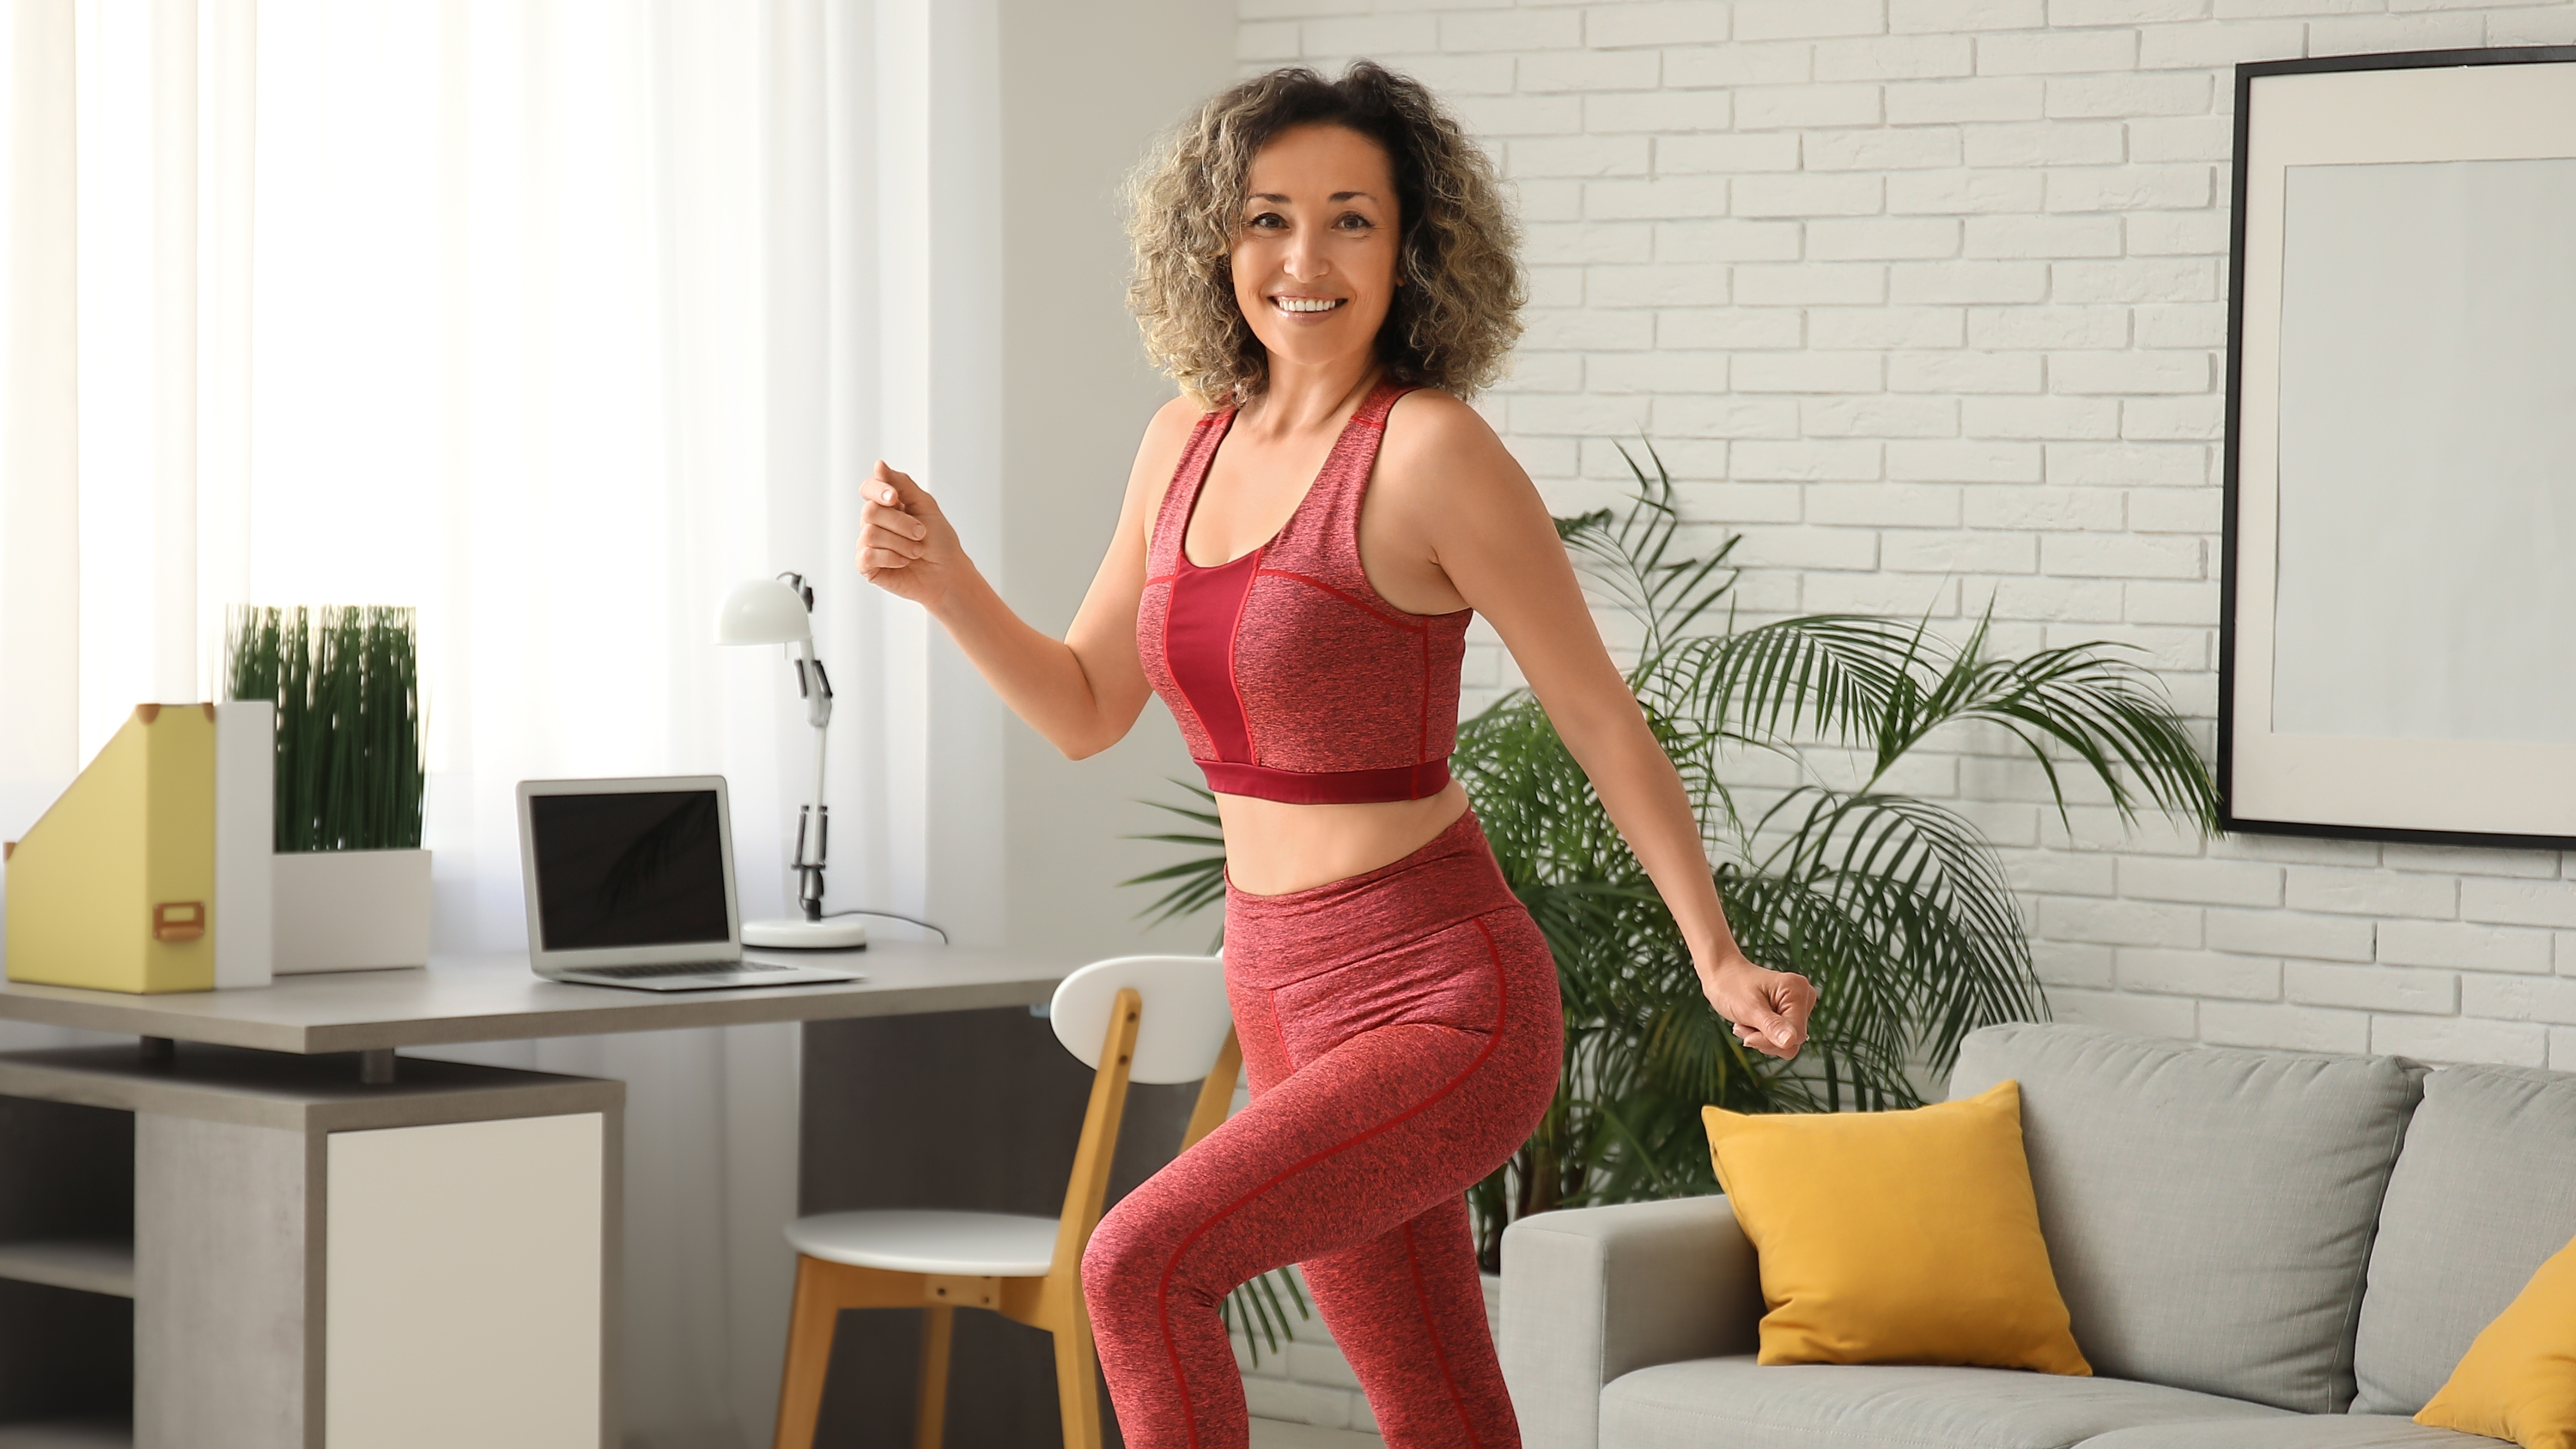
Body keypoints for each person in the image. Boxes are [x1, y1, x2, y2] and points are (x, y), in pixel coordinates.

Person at [856, 61, 1817, 1449]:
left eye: (1352, 220)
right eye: (1267, 218)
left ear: (1413, 245)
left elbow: (1600, 714)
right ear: (1216, 241)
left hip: (1446, 999)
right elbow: (1082, 707)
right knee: (1436, 1402)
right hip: (1282, 987)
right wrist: (949, 585)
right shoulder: (1181, 443)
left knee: (1137, 1266)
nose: (1305, 260)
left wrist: (1715, 954)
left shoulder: (1431, 453)